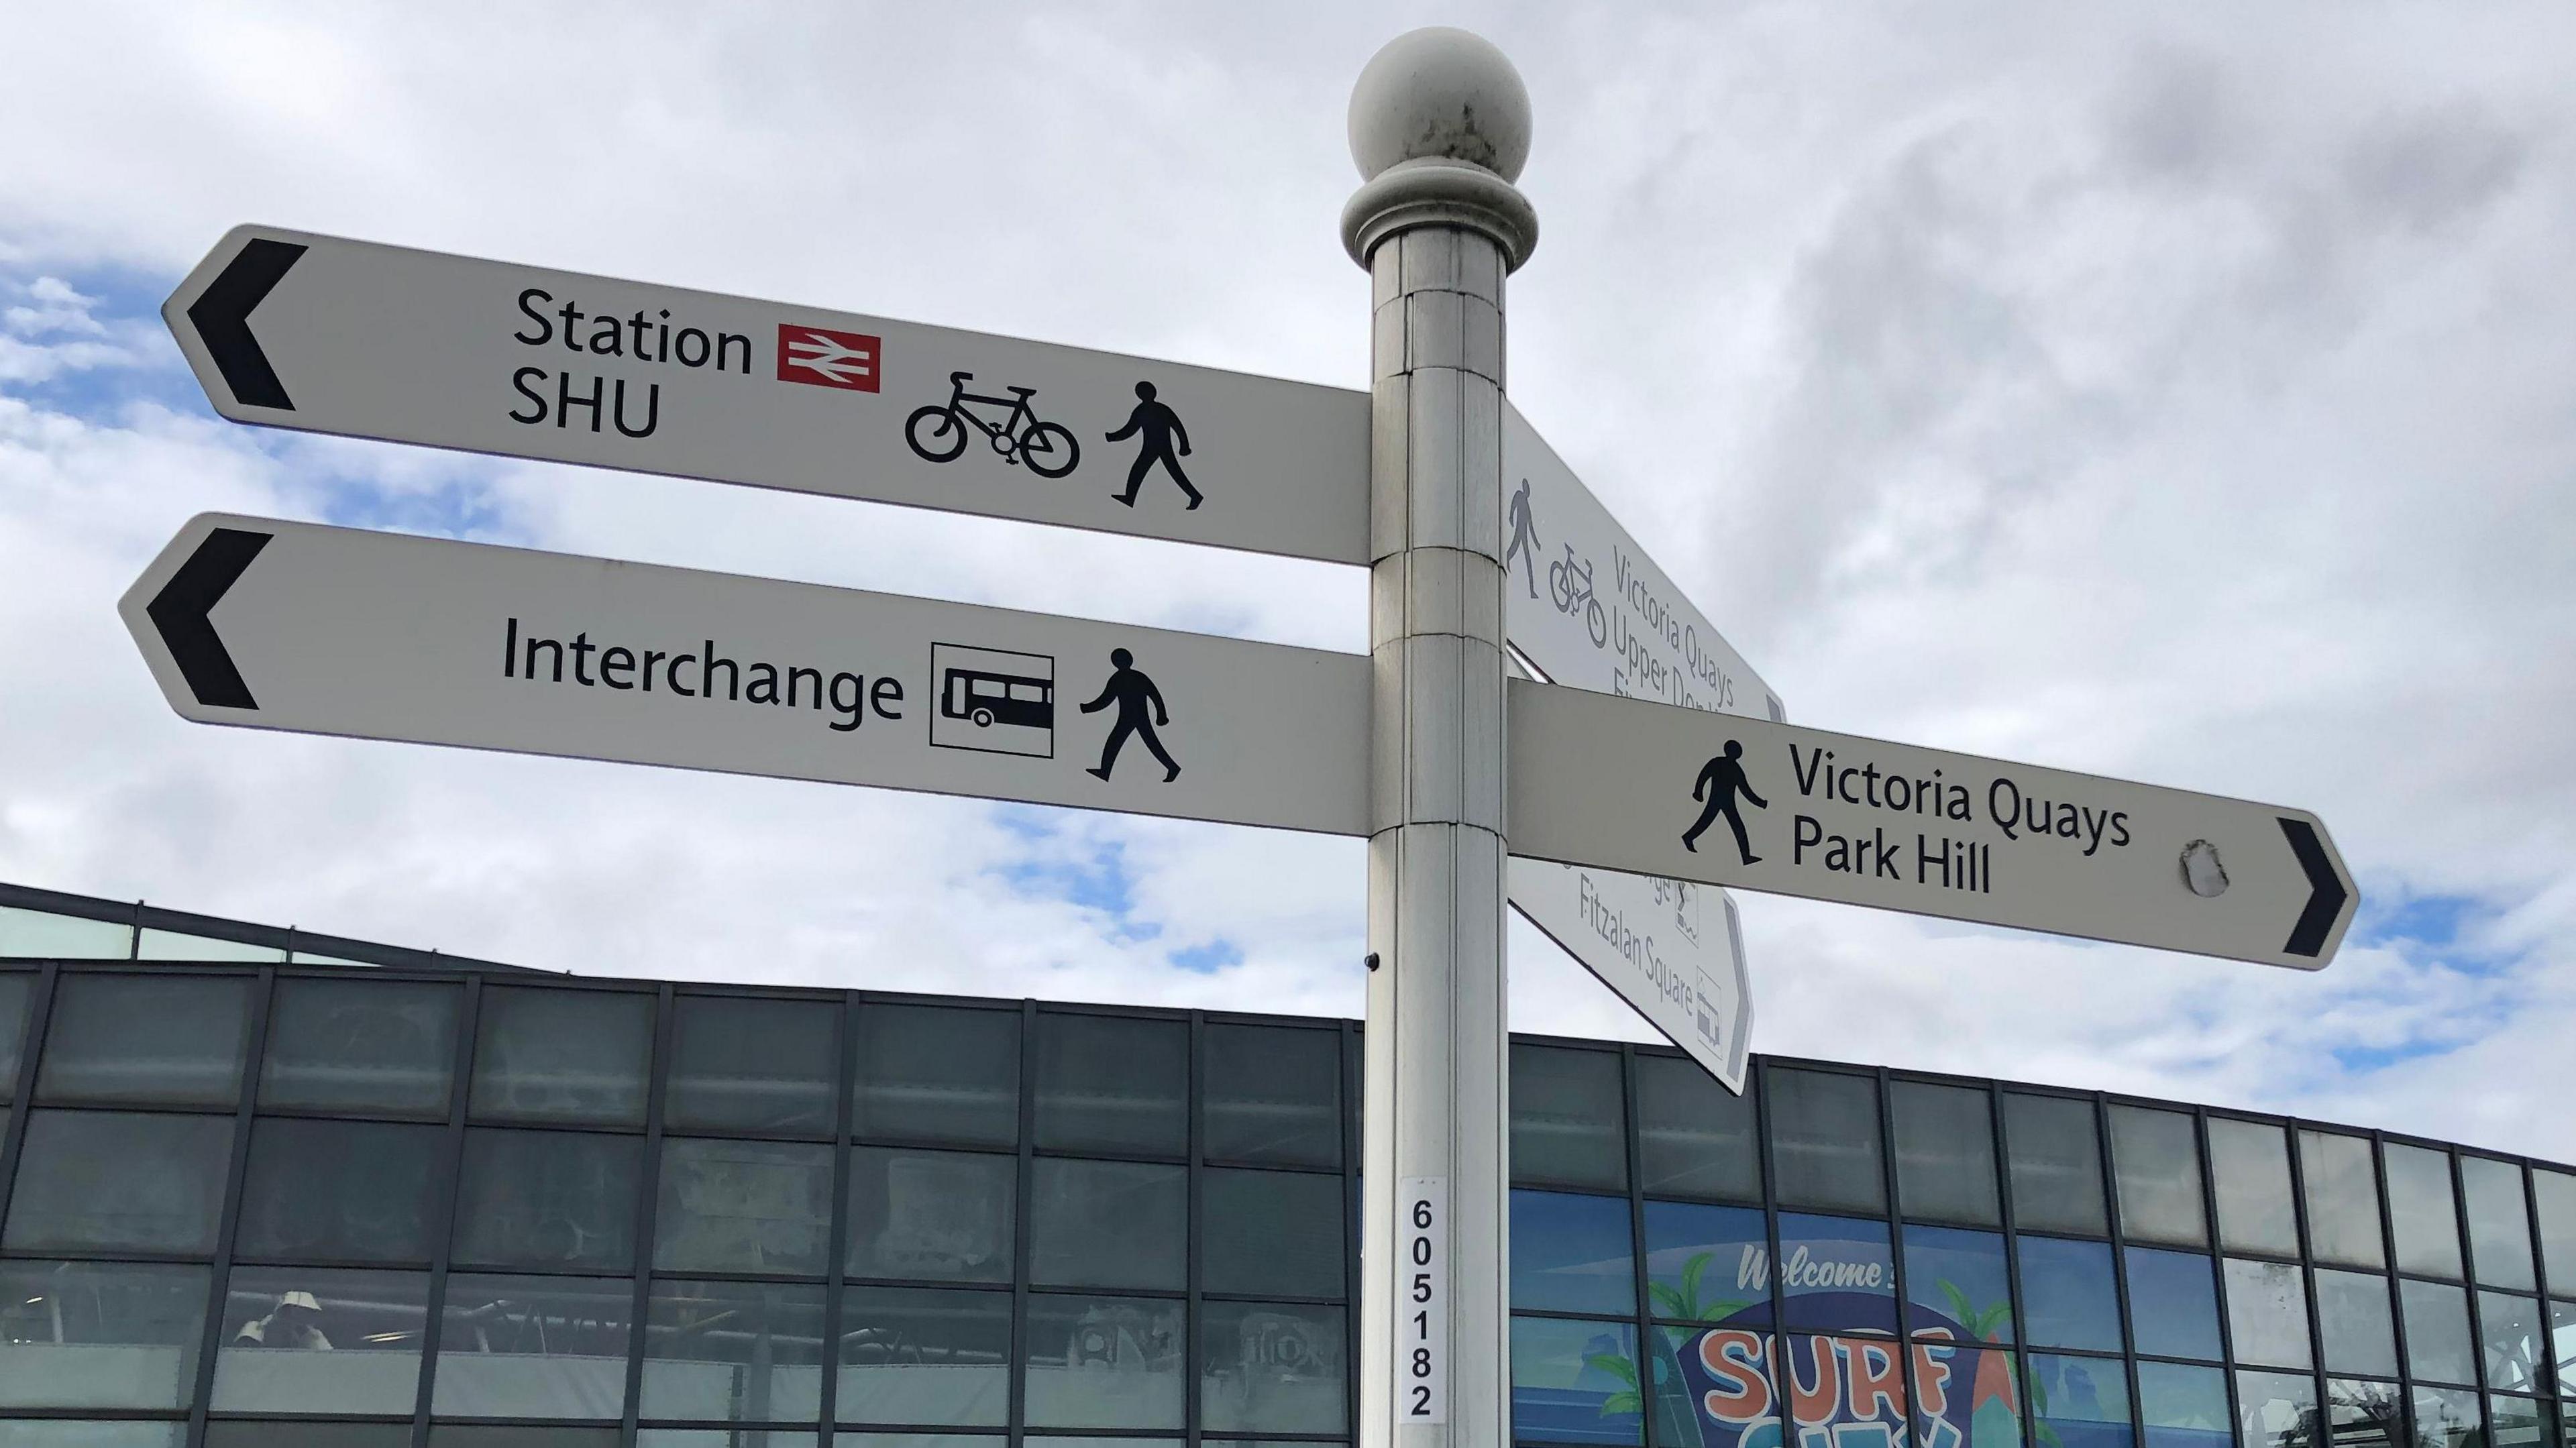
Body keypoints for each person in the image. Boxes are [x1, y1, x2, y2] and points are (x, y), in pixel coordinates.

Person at [1080, 647, 1180, 782]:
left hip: (1133, 717)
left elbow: (1154, 695)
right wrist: (1087, 708)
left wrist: (1162, 715)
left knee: (1147, 743)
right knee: (1122, 742)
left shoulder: (1123, 678)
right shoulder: (1131, 677)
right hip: (1130, 717)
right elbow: (1106, 699)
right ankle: (1105, 771)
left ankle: (1172, 767)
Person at [1106, 380, 1202, 510]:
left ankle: (1195, 496)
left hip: (1158, 447)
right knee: (1140, 470)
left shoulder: (1149, 410)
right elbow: (1130, 429)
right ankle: (1129, 497)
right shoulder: (1151, 410)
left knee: (1173, 473)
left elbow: (1177, 427)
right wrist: (1113, 437)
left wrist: (1184, 446)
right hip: (1153, 447)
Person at [1682, 740, 1767, 865]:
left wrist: (1760, 803)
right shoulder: (1720, 763)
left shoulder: (1733, 768)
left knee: (1731, 825)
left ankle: (1746, 857)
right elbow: (1704, 776)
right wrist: (1698, 792)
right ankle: (1688, 837)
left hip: (1726, 802)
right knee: (1710, 822)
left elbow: (1746, 790)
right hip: (1718, 800)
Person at [233, 1290, 332, 1350]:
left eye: (305, 1312)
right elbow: (241, 1356)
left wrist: (309, 1336)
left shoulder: (310, 1335)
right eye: (293, 1310)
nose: (296, 1316)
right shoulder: (255, 1328)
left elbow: (327, 1358)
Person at [1504, 477, 1540, 599]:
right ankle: (1505, 560)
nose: (1528, 491)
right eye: (1527, 488)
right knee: (1518, 553)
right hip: (1519, 531)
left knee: (1524, 556)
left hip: (1524, 535)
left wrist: (1536, 543)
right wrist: (1510, 517)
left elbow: (1531, 527)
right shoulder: (1519, 495)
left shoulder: (1528, 506)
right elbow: (1513, 506)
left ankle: (1532, 591)